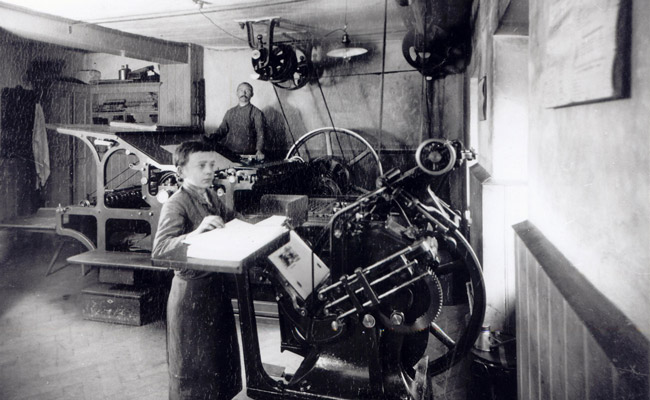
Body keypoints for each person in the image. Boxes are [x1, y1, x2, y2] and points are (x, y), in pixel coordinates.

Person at [152, 140, 241, 400]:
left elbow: (232, 221)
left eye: (211, 165)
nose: (209, 171)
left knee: (217, 365)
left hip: (214, 292)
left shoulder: (209, 195)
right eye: (201, 166)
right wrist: (196, 233)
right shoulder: (176, 203)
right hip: (191, 298)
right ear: (181, 171)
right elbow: (160, 251)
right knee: (193, 372)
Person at [206, 82, 266, 160]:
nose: (244, 93)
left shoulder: (257, 113)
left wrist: (259, 150)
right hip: (229, 153)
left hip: (248, 154)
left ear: (252, 94)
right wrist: (212, 138)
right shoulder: (230, 112)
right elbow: (222, 130)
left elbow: (260, 133)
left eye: (247, 90)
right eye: (241, 90)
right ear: (237, 93)